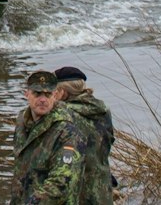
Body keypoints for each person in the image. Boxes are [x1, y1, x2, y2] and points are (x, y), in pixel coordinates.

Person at [13, 69, 107, 205]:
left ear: (55, 95)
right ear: (27, 94)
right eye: (37, 93)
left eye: (48, 94)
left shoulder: (68, 132)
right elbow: (20, 172)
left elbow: (62, 182)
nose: (43, 99)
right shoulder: (22, 122)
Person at [53, 66, 116, 201]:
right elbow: (108, 142)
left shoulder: (63, 116)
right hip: (102, 188)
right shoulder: (103, 110)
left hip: (77, 193)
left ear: (62, 93)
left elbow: (66, 158)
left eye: (53, 91)